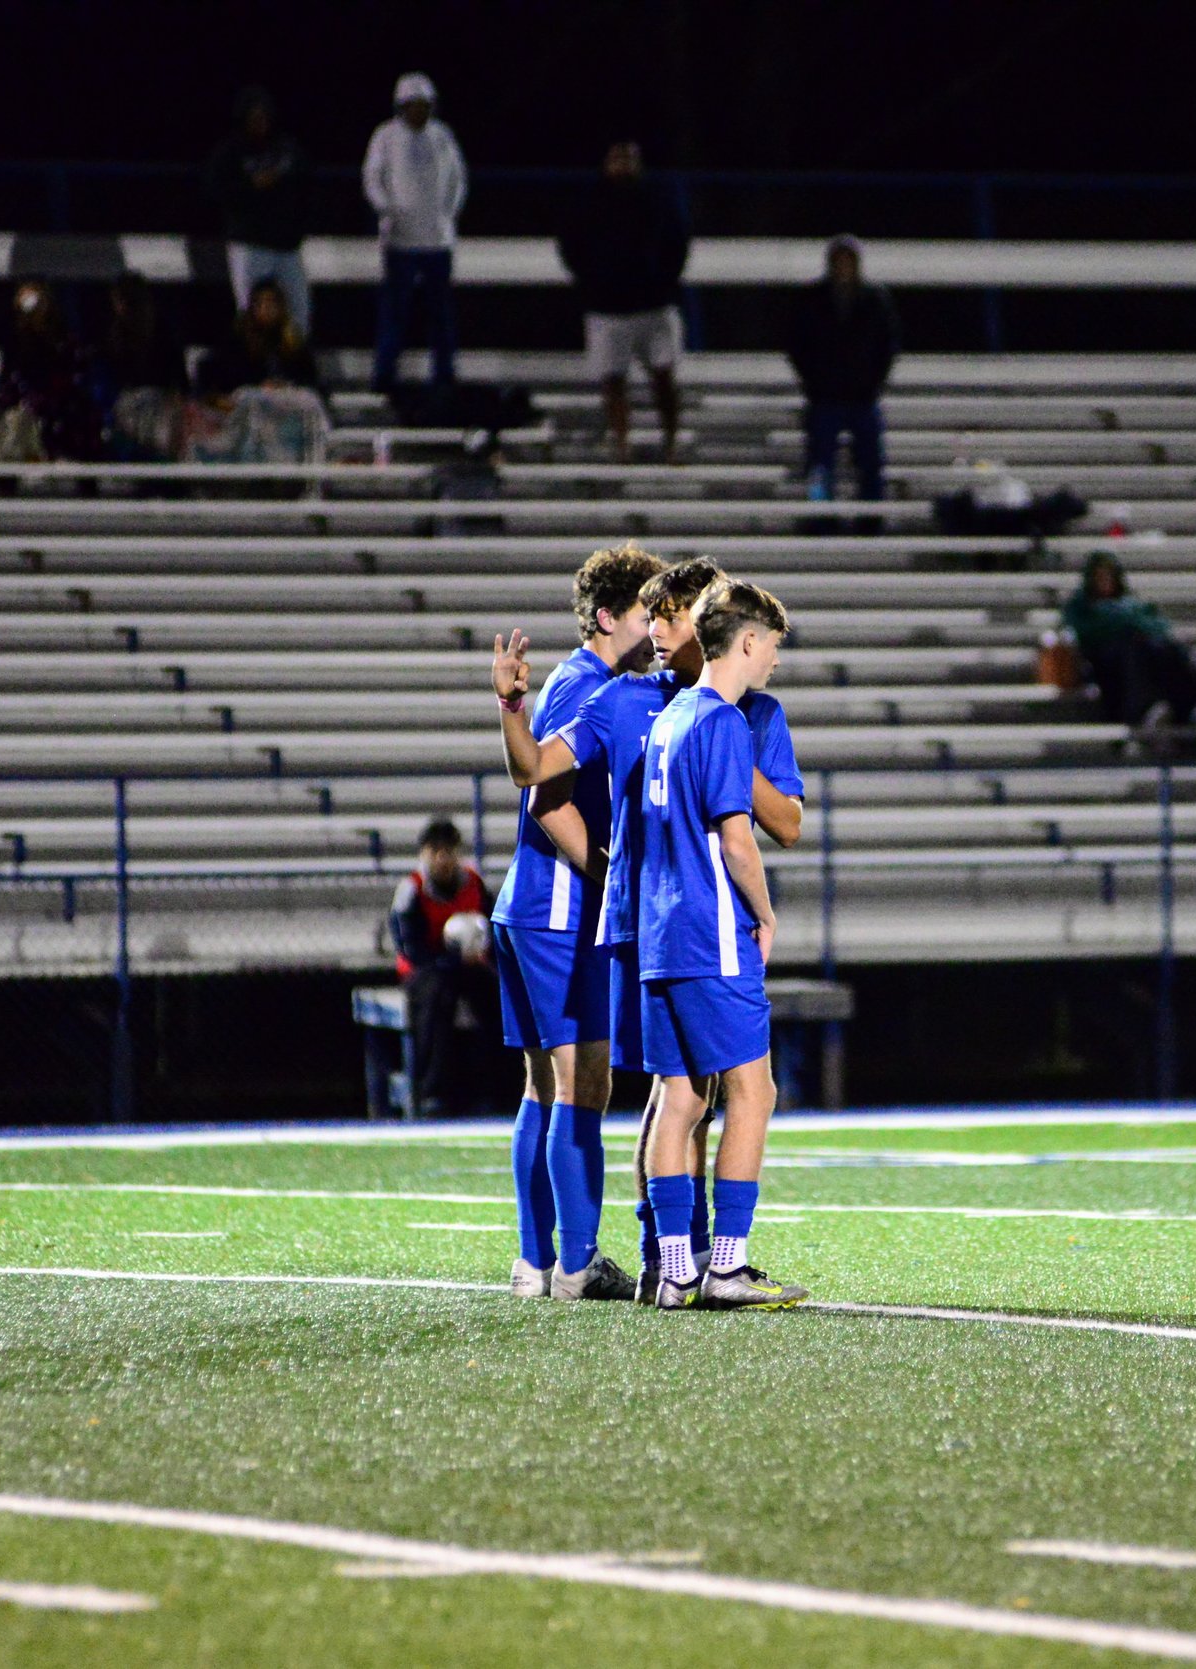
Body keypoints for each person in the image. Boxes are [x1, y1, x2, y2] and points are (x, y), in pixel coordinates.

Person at [493, 557, 803, 1303]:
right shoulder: (640, 701)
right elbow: (537, 779)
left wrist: (720, 743)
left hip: (669, 924)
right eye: (652, 616)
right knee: (692, 1092)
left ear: (708, 621)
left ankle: (671, 1260)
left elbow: (788, 823)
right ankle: (684, 1257)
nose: (659, 632)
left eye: (671, 616)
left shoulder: (746, 713)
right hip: (674, 924)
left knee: (685, 1094)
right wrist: (510, 708)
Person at [486, 542, 663, 1302]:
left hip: (528, 907)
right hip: (558, 909)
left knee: (542, 1087)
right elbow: (544, 799)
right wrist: (610, 870)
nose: (657, 628)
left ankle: (535, 1262)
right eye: (647, 613)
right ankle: (577, 1264)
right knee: (583, 1081)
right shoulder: (585, 683)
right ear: (608, 617)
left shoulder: (587, 680)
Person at [636, 579, 809, 1311]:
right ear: (747, 641)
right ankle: (728, 1266)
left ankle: (674, 1268)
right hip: (712, 934)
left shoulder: (669, 717)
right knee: (754, 1092)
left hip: (659, 936)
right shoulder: (726, 721)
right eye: (772, 646)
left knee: (679, 1099)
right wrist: (764, 914)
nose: (775, 660)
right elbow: (738, 840)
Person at [558, 141, 692, 464]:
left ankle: (671, 442)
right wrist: (592, 282)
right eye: (616, 158)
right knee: (613, 379)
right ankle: (621, 444)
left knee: (664, 376)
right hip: (608, 308)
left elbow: (677, 242)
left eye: (628, 158)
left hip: (653, 305)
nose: (622, 165)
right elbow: (571, 244)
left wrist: (662, 281)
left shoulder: (657, 198)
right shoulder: (589, 201)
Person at [363, 72, 467, 398]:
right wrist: (387, 210)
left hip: (437, 242)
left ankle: (444, 373)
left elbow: (458, 179)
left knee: (441, 312)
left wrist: (446, 215)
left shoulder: (442, 135)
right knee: (395, 311)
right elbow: (372, 177)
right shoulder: (386, 136)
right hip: (400, 241)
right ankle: (384, 372)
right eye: (413, 105)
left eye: (425, 105)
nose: (420, 111)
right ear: (402, 106)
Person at [389, 817, 496, 1117]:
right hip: (425, 971)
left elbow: (493, 930)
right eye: (435, 851)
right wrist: (447, 961)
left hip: (467, 966)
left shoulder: (473, 884)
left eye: (448, 851)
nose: (442, 859)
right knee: (436, 999)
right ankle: (432, 1092)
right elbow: (410, 948)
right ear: (424, 854)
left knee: (493, 995)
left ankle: (489, 1089)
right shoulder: (412, 890)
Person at [786, 235, 900, 502]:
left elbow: (888, 345)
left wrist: (874, 381)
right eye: (839, 260)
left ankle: (871, 517)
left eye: (848, 260)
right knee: (819, 465)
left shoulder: (875, 299)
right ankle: (819, 515)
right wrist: (813, 381)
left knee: (871, 464)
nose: (843, 266)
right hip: (825, 396)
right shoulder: (812, 300)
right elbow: (796, 343)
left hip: (863, 396)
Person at [203, 87, 314, 339]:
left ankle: (295, 361)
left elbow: (307, 186)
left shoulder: (287, 148)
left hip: (287, 246)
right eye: (254, 116)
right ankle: (252, 362)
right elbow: (214, 189)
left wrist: (300, 226)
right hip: (250, 245)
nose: (260, 122)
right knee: (249, 314)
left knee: (299, 314)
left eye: (264, 116)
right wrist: (250, 187)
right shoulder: (230, 151)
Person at [188, 279, 327, 465]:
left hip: (287, 422)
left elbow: (314, 387)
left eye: (272, 303)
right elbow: (210, 382)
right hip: (245, 423)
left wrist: (284, 388)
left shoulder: (295, 349)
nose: (266, 309)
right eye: (260, 303)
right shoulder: (235, 345)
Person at [1061, 551, 1196, 727]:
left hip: (1143, 653)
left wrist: (1130, 623)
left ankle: (1189, 710)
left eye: (1110, 575)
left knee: (1168, 650)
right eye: (1100, 576)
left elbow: (1158, 626)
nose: (1106, 581)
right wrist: (1123, 623)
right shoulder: (1080, 606)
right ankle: (1142, 711)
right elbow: (1083, 631)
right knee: (1132, 648)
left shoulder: (1132, 604)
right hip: (1103, 662)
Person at [0, 281, 100, 463]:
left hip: (58, 411)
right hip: (23, 409)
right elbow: (9, 382)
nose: (32, 307)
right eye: (25, 301)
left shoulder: (63, 340)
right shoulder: (15, 340)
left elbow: (73, 378)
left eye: (36, 300)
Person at [97, 272, 187, 461]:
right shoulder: (113, 336)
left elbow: (177, 377)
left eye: (122, 300)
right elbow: (111, 381)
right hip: (127, 403)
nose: (118, 306)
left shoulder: (161, 332)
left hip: (160, 401)